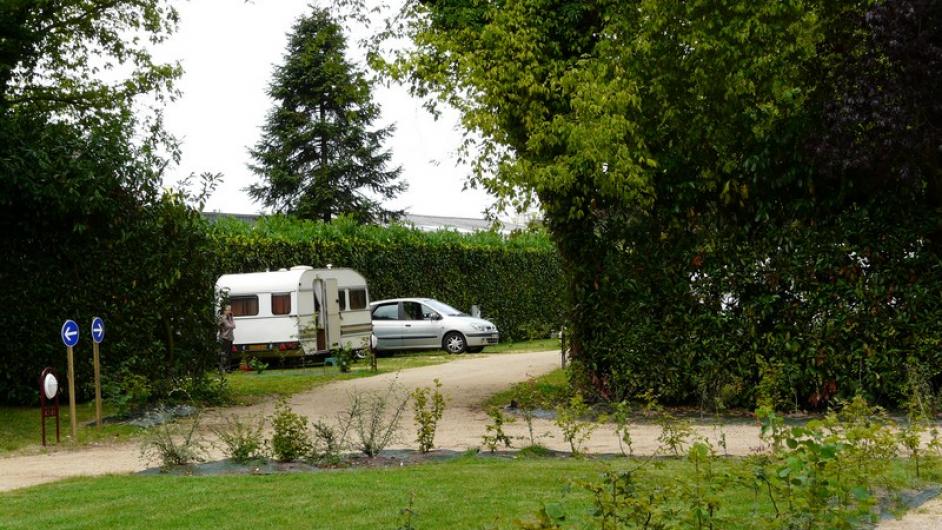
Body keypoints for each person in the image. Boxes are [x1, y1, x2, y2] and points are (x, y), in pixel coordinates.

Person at [217, 305, 236, 372]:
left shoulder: (230, 318)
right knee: (224, 354)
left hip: (230, 338)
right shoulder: (223, 318)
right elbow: (229, 326)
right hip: (224, 338)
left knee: (229, 354)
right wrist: (231, 324)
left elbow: (234, 326)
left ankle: (228, 368)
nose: (230, 311)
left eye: (230, 310)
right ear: (224, 311)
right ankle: (222, 368)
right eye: (228, 310)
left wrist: (231, 318)